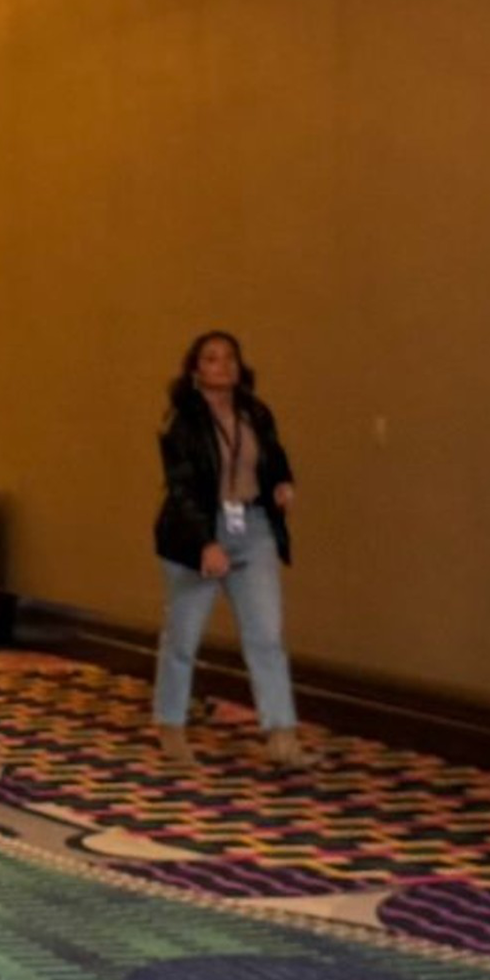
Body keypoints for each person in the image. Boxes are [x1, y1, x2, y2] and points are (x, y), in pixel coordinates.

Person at [150, 328, 319, 766]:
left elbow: (274, 458)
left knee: (265, 634)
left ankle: (281, 734)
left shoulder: (255, 413)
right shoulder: (182, 422)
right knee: (184, 635)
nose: (222, 365)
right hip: (199, 531)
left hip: (253, 526)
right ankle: (170, 724)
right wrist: (205, 543)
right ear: (194, 369)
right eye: (211, 358)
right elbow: (182, 487)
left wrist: (281, 484)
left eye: (229, 358)